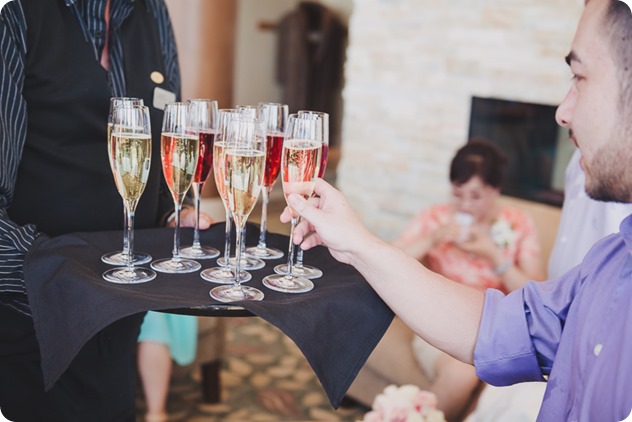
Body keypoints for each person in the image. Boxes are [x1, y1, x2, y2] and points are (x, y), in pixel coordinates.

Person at [281, 0, 632, 419]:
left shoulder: (518, 227)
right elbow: (501, 328)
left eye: (579, 76)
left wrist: (493, 256)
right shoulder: (611, 262)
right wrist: (357, 241)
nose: (563, 111)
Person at [0, 1, 211, 420]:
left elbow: (168, 129)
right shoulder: (17, 13)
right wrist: (57, 273)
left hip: (119, 313)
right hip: (31, 323)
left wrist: (175, 212)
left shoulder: (152, 10)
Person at [347, 140, 545, 421]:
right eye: (458, 194)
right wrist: (431, 239)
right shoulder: (436, 218)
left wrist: (493, 255)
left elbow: (536, 296)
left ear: (495, 190)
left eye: (475, 196)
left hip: (498, 324)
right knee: (462, 371)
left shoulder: (518, 224)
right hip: (440, 317)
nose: (465, 205)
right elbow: (388, 261)